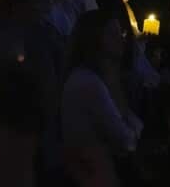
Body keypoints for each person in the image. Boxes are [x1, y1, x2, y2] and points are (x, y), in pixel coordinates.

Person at [61, 9, 143, 157]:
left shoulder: (102, 78)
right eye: (112, 33)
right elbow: (126, 140)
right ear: (95, 39)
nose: (121, 39)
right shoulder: (88, 82)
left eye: (121, 33)